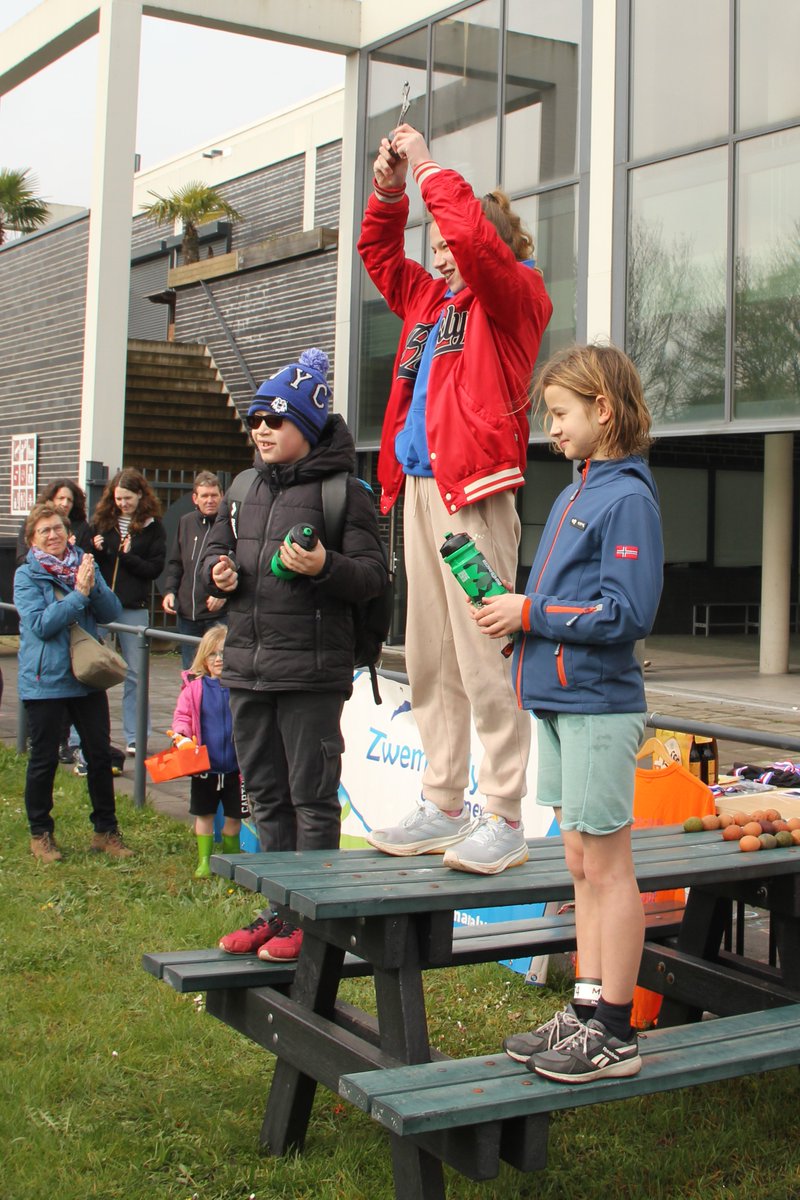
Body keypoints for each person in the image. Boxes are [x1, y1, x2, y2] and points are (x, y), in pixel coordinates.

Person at [357, 124, 553, 874]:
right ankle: (443, 801)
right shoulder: (428, 302)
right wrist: (388, 188)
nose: (437, 247)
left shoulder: (514, 297)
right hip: (417, 491)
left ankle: (504, 811)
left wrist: (429, 164)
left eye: (447, 237)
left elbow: (474, 240)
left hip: (474, 498)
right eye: (431, 237)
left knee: (484, 654)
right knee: (432, 656)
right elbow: (378, 253)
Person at [472, 344, 663, 1083]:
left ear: (603, 410)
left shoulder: (627, 499)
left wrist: (533, 610)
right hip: (558, 702)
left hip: (598, 707)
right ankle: (586, 1009)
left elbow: (628, 612)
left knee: (609, 869)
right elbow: (571, 607)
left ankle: (615, 1032)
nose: (550, 428)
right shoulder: (577, 491)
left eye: (560, 413)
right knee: (580, 861)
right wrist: (520, 620)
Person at [201, 347, 388, 961]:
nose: (260, 430)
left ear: (305, 430)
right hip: (248, 672)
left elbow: (372, 578)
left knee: (311, 798)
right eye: (255, 420)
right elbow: (211, 557)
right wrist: (218, 573)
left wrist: (323, 566)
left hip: (311, 675)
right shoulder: (242, 486)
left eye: (273, 421)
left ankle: (315, 920)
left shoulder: (345, 493)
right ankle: (277, 912)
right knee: (267, 799)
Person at [14, 501, 133, 862]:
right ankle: (41, 834)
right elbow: (40, 625)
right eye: (44, 530)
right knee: (44, 759)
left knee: (98, 755)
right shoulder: (27, 575)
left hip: (86, 678)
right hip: (45, 680)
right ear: (33, 539)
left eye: (57, 528)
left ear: (68, 532)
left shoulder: (83, 564)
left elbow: (111, 612)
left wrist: (91, 584)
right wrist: (78, 595)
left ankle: (106, 831)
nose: (53, 535)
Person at [91, 469, 166, 757]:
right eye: (118, 498)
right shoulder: (102, 522)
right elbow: (89, 559)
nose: (123, 503)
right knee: (91, 667)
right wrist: (97, 549)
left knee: (136, 673)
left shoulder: (152, 527)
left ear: (140, 496)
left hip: (133, 606)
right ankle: (84, 735)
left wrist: (128, 557)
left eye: (128, 498)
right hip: (101, 604)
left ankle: (136, 736)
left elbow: (154, 568)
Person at [170, 624, 243, 878]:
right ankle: (205, 859)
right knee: (204, 814)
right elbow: (181, 717)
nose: (219, 659)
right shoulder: (194, 688)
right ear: (204, 657)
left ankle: (233, 857)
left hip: (236, 768)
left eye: (224, 653)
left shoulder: (240, 687)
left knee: (235, 816)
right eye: (213, 654)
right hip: (204, 768)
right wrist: (181, 736)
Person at [162, 471, 228, 670]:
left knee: (217, 672)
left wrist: (225, 594)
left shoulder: (231, 525)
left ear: (222, 496)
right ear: (195, 498)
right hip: (187, 614)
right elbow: (176, 563)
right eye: (204, 496)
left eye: (214, 495)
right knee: (190, 671)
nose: (210, 500)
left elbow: (242, 565)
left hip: (217, 615)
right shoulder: (186, 522)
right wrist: (170, 591)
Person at [15, 478, 93, 567]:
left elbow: (86, 559)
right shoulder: (32, 523)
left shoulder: (82, 527)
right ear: (51, 500)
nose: (65, 503)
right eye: (61, 498)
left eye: (69, 500)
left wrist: (70, 549)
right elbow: (21, 558)